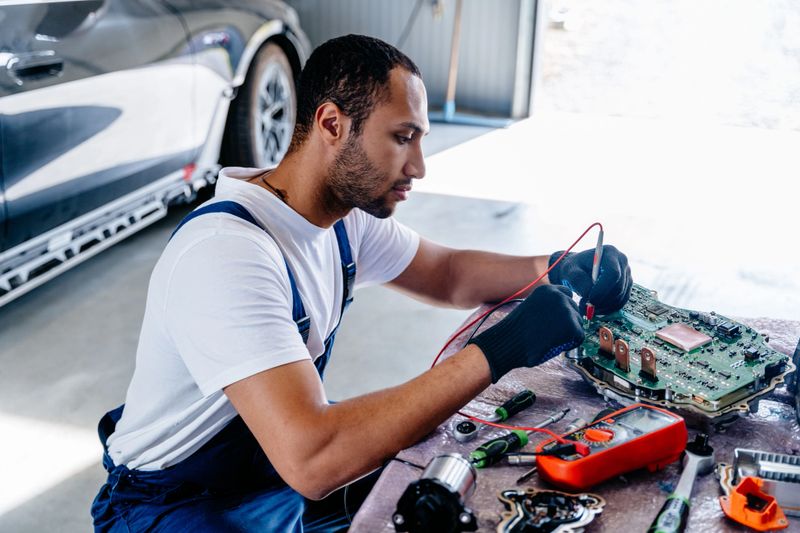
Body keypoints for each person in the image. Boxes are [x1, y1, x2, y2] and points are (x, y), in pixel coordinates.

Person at [91, 34, 632, 532]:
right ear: (332, 125)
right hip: (170, 508)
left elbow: (448, 274)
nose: (419, 166)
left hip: (262, 482)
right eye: (402, 138)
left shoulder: (342, 219)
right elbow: (313, 457)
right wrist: (501, 348)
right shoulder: (229, 253)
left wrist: (557, 265)